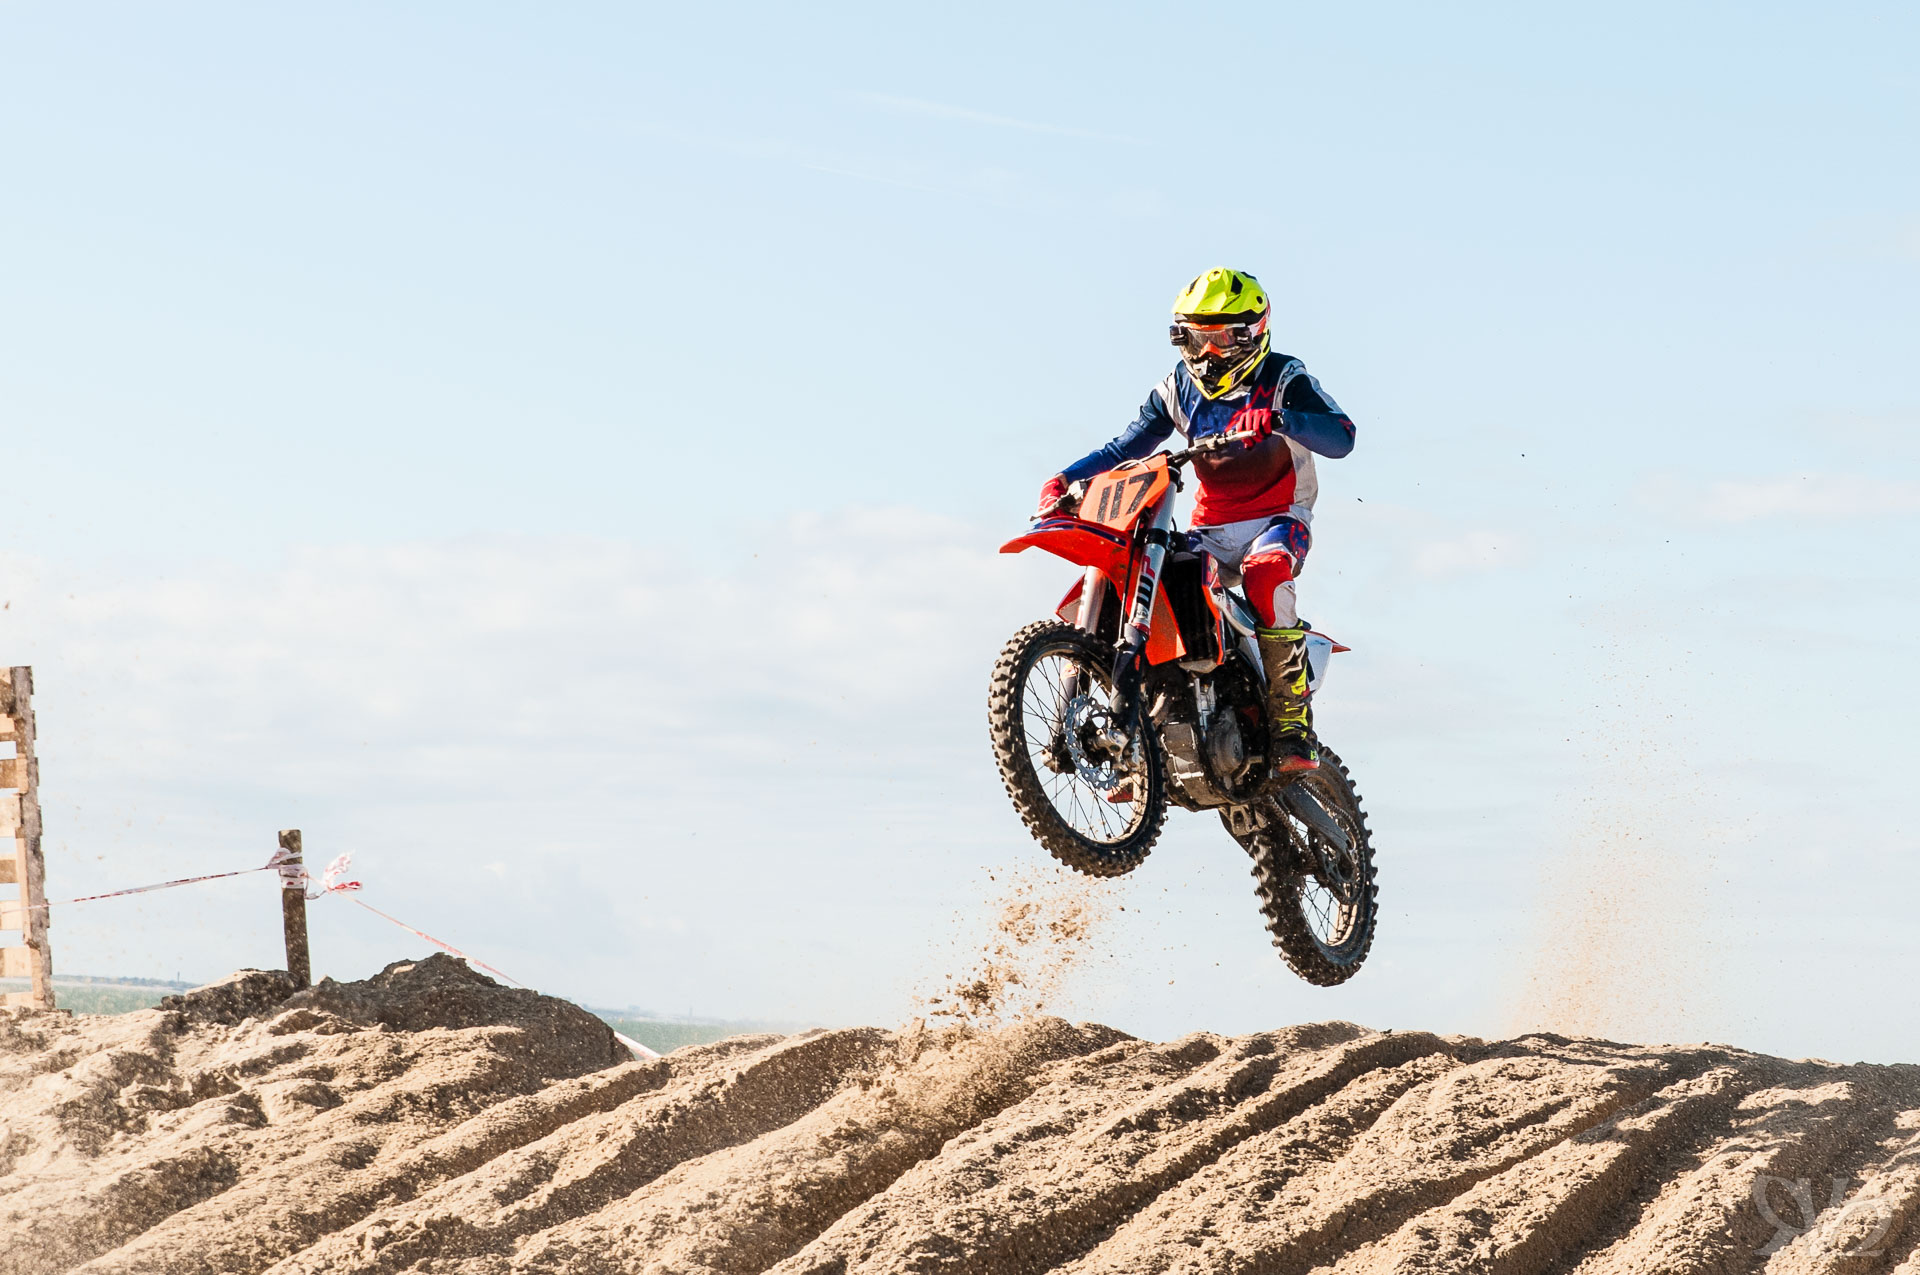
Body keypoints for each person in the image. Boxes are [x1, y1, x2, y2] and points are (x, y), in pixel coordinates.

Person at [1036, 267, 1356, 778]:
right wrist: (1064, 478)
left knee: (1266, 572)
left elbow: (1342, 437)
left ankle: (1291, 722)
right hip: (1210, 526)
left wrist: (1281, 419)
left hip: (1278, 517)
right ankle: (1137, 735)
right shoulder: (1177, 388)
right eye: (1195, 337)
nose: (1208, 352)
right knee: (1144, 577)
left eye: (1222, 338)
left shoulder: (1283, 378)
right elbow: (1125, 447)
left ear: (1252, 333)